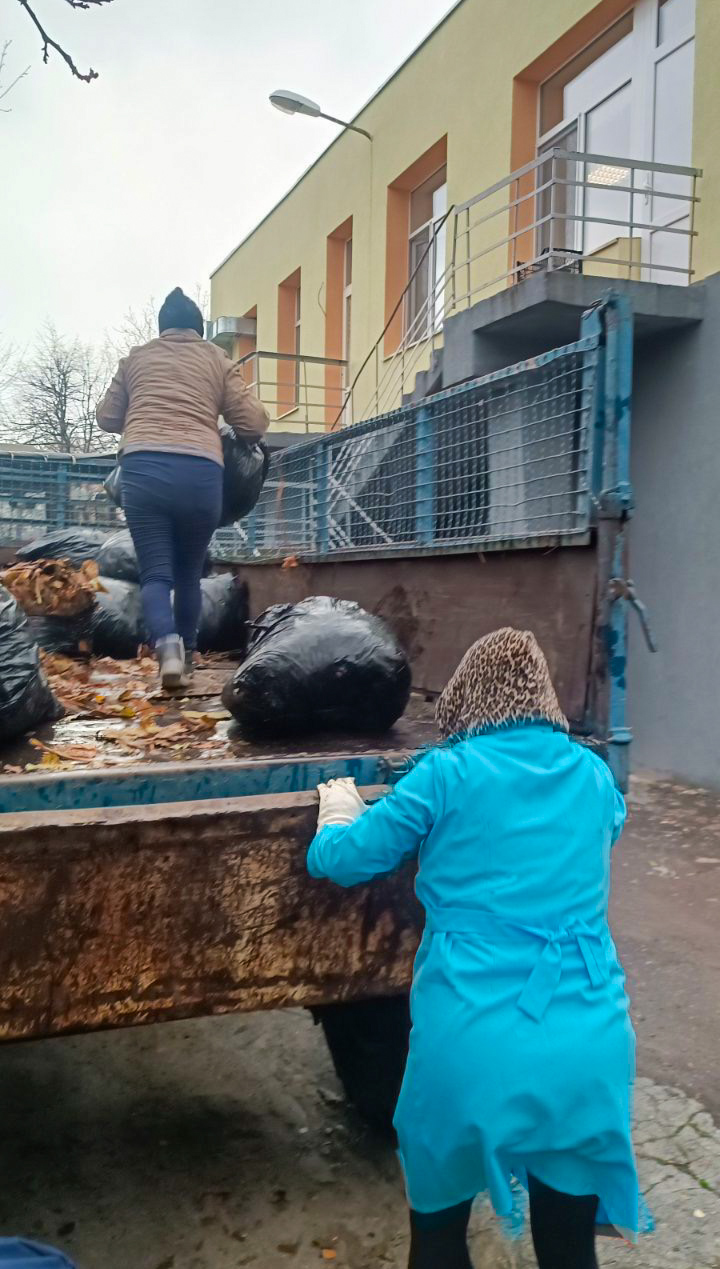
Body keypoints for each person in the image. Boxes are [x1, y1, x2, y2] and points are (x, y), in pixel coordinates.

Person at [308, 628, 644, 1269]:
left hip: (471, 1040)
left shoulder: (445, 773)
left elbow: (346, 861)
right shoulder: (595, 776)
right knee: (569, 1250)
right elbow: (609, 827)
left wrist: (339, 811)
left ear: (466, 702)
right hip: (589, 1046)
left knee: (439, 1237)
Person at [97, 287, 268, 689]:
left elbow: (107, 417)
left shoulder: (136, 358)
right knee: (189, 573)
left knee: (156, 574)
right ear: (198, 329)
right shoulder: (216, 359)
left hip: (144, 473)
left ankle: (168, 650)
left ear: (162, 328)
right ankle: (188, 658)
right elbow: (253, 424)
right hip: (200, 473)